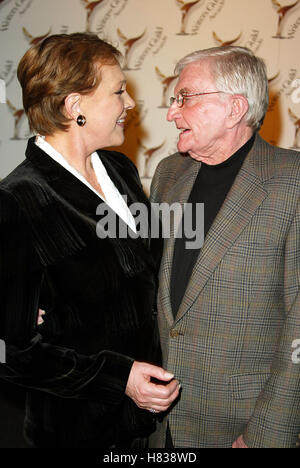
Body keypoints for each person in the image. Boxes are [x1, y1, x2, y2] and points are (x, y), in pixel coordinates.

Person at [0, 33, 180, 448]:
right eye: (118, 91)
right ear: (74, 105)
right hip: (78, 431)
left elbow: (139, 273)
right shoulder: (18, 201)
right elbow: (11, 354)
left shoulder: (120, 169)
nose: (129, 103)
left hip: (149, 424)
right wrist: (118, 379)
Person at [150, 46, 300, 448]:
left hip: (242, 428)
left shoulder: (293, 182)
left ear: (234, 109)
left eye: (185, 98)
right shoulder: (168, 174)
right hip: (161, 424)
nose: (171, 113)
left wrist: (266, 435)